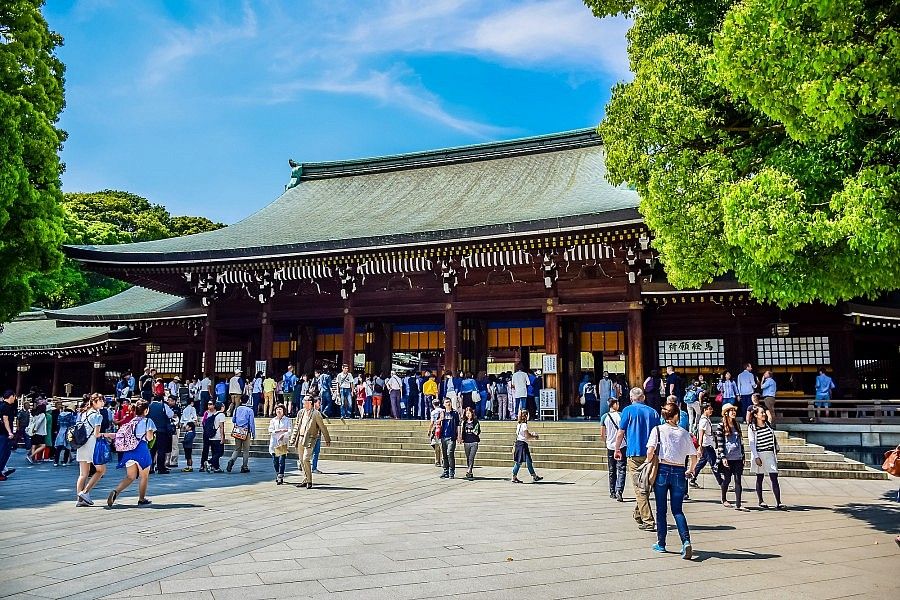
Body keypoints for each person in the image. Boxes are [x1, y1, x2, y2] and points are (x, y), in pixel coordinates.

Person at [649, 403, 698, 559]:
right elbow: (694, 456)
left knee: (661, 509)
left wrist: (651, 459)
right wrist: (690, 470)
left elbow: (650, 451)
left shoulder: (658, 430)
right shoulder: (684, 433)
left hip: (662, 470)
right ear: (676, 415)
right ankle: (686, 542)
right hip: (679, 470)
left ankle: (661, 543)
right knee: (677, 510)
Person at [614, 387, 658, 531]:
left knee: (640, 488)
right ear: (643, 397)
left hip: (634, 453)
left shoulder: (627, 411)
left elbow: (621, 432)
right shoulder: (653, 412)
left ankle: (648, 521)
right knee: (646, 485)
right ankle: (638, 514)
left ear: (632, 398)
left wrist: (617, 449)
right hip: (652, 453)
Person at [107, 399, 156, 507]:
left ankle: (116, 491)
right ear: (146, 410)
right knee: (144, 476)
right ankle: (141, 499)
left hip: (129, 451)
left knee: (130, 476)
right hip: (141, 449)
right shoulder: (148, 421)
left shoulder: (131, 422)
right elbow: (149, 437)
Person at [75, 394, 115, 507]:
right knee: (101, 470)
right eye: (100, 401)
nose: (103, 403)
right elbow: (97, 434)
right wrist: (109, 434)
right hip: (92, 445)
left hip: (81, 444)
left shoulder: (84, 413)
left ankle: (79, 499)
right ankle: (85, 492)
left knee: (83, 474)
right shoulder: (98, 415)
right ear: (94, 402)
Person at [748, 405, 785, 510]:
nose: (763, 414)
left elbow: (773, 437)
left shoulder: (767, 424)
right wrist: (756, 456)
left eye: (764, 412)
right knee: (760, 478)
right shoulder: (752, 427)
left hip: (769, 453)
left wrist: (776, 448)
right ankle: (761, 500)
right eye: (761, 413)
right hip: (759, 453)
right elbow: (751, 443)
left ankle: (778, 502)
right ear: (756, 415)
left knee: (774, 477)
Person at [290, 396, 331, 488]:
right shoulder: (301, 412)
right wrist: (293, 438)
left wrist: (327, 439)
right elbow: (297, 425)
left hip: (310, 438)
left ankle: (309, 480)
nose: (303, 402)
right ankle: (305, 479)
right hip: (300, 438)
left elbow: (322, 427)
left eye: (305, 401)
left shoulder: (316, 414)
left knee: (306, 459)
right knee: (301, 460)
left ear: (310, 402)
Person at [715, 403, 747, 510]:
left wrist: (743, 455)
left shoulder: (737, 425)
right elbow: (720, 443)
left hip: (737, 457)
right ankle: (724, 498)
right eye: (731, 410)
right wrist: (723, 457)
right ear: (726, 413)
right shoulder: (721, 426)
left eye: (734, 410)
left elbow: (741, 441)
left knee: (738, 480)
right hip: (727, 458)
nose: (733, 412)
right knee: (727, 480)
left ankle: (738, 504)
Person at [689, 403, 722, 488]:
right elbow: (701, 434)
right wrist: (700, 446)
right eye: (709, 409)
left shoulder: (707, 419)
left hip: (708, 444)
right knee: (714, 464)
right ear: (705, 410)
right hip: (706, 445)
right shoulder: (703, 420)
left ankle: (692, 478)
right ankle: (721, 482)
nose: (711, 411)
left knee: (701, 463)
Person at [600, 398, 626, 501]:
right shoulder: (621, 416)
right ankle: (619, 490)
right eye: (617, 403)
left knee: (612, 469)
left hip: (610, 445)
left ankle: (612, 491)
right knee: (621, 468)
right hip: (621, 445)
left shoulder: (604, 417)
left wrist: (606, 441)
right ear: (614, 404)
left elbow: (602, 434)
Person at [511, 409, 543, 483]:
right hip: (522, 445)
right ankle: (514, 476)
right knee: (519, 462)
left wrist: (530, 434)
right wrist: (534, 436)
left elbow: (523, 434)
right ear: (525, 416)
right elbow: (527, 436)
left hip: (519, 444)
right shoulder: (524, 425)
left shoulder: (519, 424)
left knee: (527, 461)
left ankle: (534, 476)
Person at [227, 395, 256, 473]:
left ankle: (231, 460)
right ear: (247, 401)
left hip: (238, 430)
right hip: (246, 431)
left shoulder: (237, 409)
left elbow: (233, 420)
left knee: (237, 449)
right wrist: (253, 433)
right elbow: (251, 423)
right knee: (246, 450)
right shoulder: (249, 410)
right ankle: (244, 466)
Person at [147, 395, 173, 474]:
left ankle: (150, 468)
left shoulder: (148, 406)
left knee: (152, 450)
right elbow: (171, 414)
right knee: (161, 450)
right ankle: (161, 468)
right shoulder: (163, 405)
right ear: (161, 400)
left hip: (151, 431)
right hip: (162, 430)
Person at [268, 404, 291, 485]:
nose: (278, 411)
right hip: (274, 443)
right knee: (275, 461)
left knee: (282, 460)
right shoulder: (273, 420)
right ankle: (278, 473)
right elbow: (270, 430)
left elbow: (289, 430)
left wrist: (283, 434)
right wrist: (279, 431)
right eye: (277, 409)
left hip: (282, 443)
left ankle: (280, 476)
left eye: (280, 409)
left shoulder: (287, 420)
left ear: (283, 410)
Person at [438, 398, 460, 479]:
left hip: (451, 437)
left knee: (450, 453)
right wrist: (441, 419)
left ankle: (451, 471)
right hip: (443, 436)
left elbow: (458, 425)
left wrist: (459, 436)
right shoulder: (442, 413)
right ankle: (445, 471)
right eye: (446, 402)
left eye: (449, 402)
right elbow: (436, 423)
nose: (448, 404)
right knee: (444, 455)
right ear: (444, 404)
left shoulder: (454, 413)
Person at [461, 406, 480, 480]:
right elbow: (463, 431)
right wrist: (462, 438)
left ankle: (469, 470)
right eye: (467, 413)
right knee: (468, 457)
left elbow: (478, 430)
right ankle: (470, 471)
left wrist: (476, 432)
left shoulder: (475, 421)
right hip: (466, 442)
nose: (468, 415)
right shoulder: (464, 422)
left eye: (469, 413)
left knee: (471, 457)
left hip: (474, 441)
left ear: (472, 413)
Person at [206, 402, 226, 473]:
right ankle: (209, 462)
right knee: (220, 452)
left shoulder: (213, 414)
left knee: (214, 453)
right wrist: (222, 437)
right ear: (221, 407)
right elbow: (221, 427)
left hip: (211, 436)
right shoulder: (221, 415)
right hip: (217, 436)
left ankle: (216, 467)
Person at [198, 400, 216, 472]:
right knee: (205, 449)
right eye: (208, 404)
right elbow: (203, 422)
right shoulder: (206, 413)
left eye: (211, 404)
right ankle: (202, 464)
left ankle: (214, 464)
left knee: (214, 449)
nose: (209, 406)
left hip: (214, 434)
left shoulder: (216, 413)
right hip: (206, 433)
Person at [428, 398, 443, 467]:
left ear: (433, 404)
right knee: (442, 446)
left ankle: (437, 461)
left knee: (436, 445)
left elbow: (432, 422)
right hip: (443, 429)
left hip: (436, 429)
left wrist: (429, 430)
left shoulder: (433, 412)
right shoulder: (443, 411)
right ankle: (443, 459)